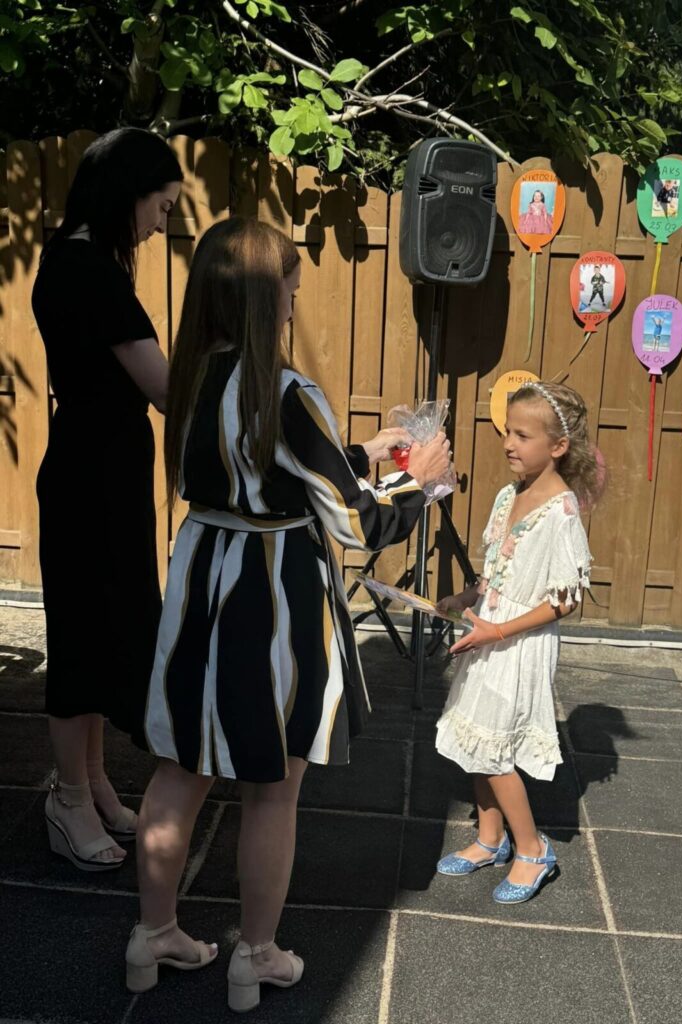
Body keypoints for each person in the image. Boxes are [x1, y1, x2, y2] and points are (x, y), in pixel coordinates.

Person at [125, 219, 452, 1009]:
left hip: (202, 584)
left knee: (181, 770)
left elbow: (264, 467)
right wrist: (419, 479)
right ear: (265, 296)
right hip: (274, 601)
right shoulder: (288, 393)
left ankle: (152, 934)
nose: (294, 302)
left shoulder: (192, 378)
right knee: (273, 786)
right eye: (290, 290)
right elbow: (357, 526)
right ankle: (256, 955)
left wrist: (358, 455)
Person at [31, 128, 182, 871]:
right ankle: (67, 798)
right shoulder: (90, 272)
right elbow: (164, 389)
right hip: (91, 479)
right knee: (82, 637)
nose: (161, 222)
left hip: (96, 473)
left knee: (93, 630)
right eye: (162, 205)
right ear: (129, 192)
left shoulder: (72, 259)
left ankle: (90, 783)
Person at [433, 381, 600, 905]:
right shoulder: (509, 494)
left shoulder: (561, 511)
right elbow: (495, 571)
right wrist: (466, 598)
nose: (509, 443)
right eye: (508, 431)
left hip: (518, 643)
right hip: (488, 629)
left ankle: (532, 848)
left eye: (523, 435)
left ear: (558, 446)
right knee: (475, 738)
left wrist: (499, 630)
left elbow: (565, 600)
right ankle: (491, 837)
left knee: (495, 749)